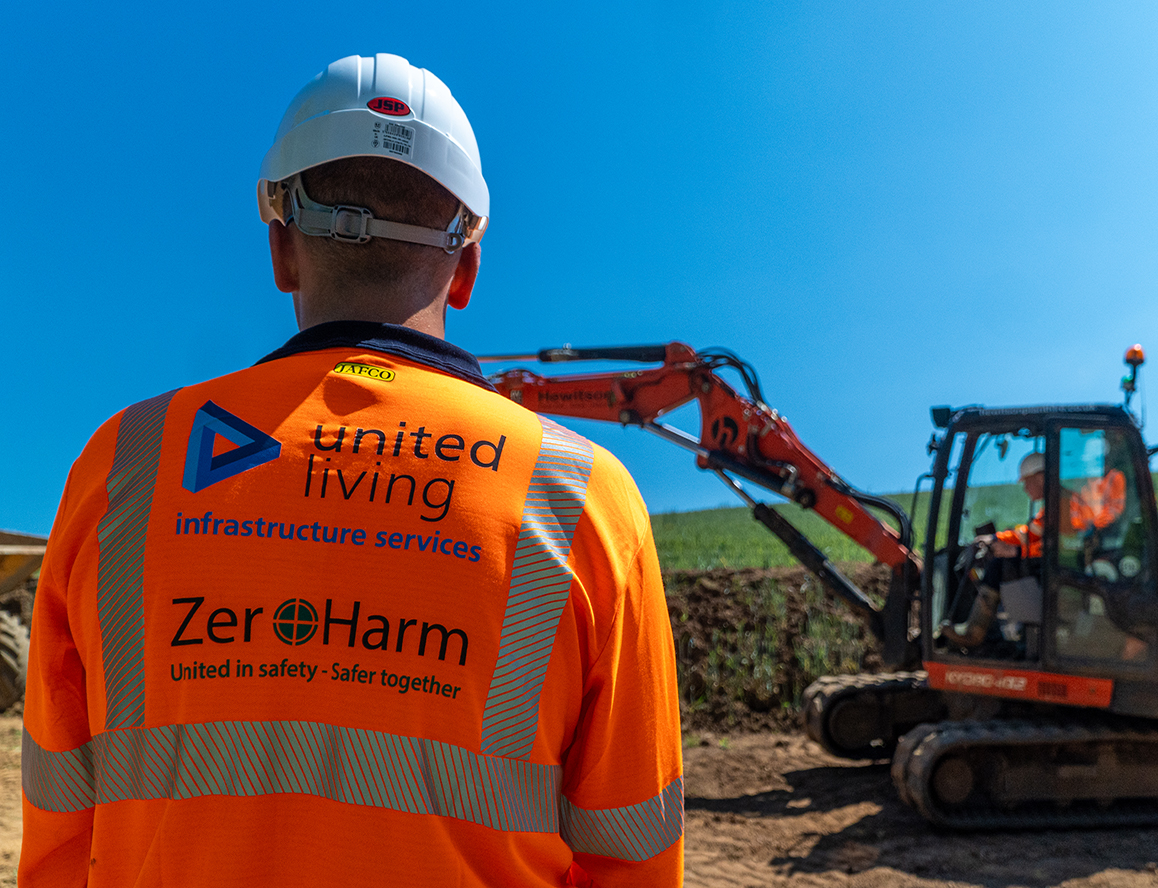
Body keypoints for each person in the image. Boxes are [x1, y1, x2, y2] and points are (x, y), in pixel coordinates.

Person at [21, 54, 684, 887]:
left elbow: (56, 827)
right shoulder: (582, 495)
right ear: (468, 267)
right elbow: (633, 855)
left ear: (281, 251)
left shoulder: (124, 464)